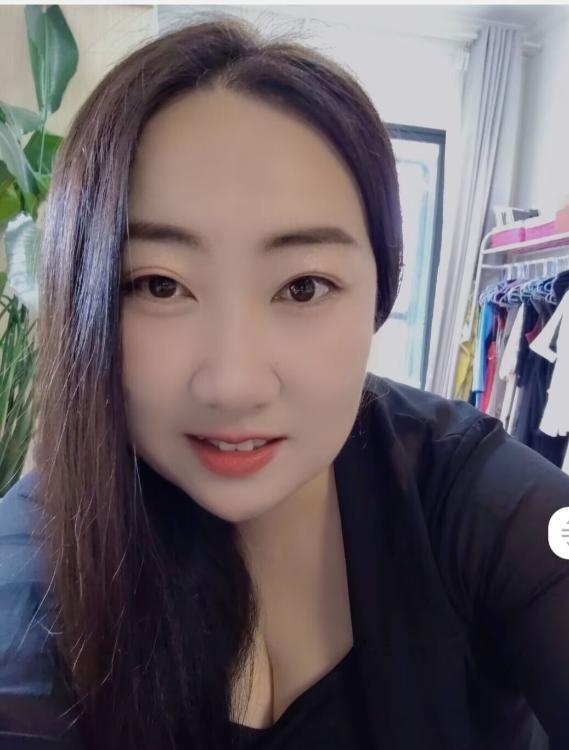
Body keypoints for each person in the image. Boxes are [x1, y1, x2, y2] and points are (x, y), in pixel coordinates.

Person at [0, 15, 568, 750]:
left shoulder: (471, 493)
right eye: (160, 285)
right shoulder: (39, 561)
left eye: (303, 286)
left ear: (380, 294)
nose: (234, 384)